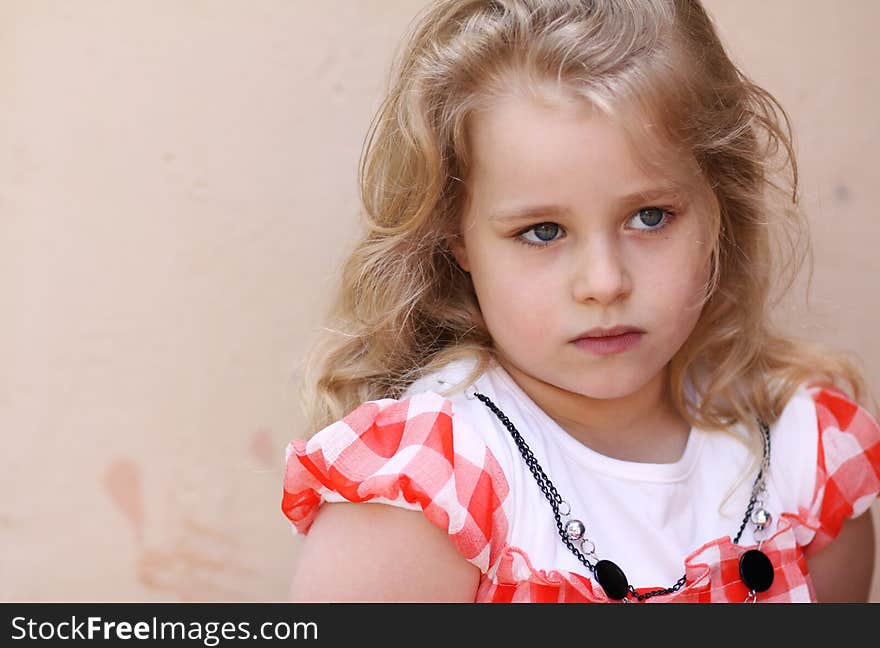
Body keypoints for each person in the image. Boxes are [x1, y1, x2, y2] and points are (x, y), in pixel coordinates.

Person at [281, 0, 880, 602]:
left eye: (650, 217)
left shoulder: (802, 461)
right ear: (454, 237)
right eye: (542, 231)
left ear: (718, 209)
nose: (604, 282)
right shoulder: (429, 496)